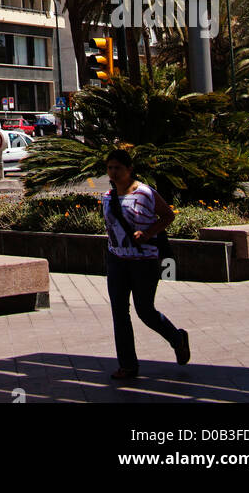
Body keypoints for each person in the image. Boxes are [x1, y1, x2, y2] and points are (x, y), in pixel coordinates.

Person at [103, 148, 190, 381]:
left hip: (144, 262)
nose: (113, 172)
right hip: (117, 261)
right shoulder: (107, 196)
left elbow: (168, 216)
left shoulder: (145, 193)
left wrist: (149, 233)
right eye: (110, 168)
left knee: (145, 311)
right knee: (119, 313)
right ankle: (128, 366)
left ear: (129, 169)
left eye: (117, 168)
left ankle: (177, 338)